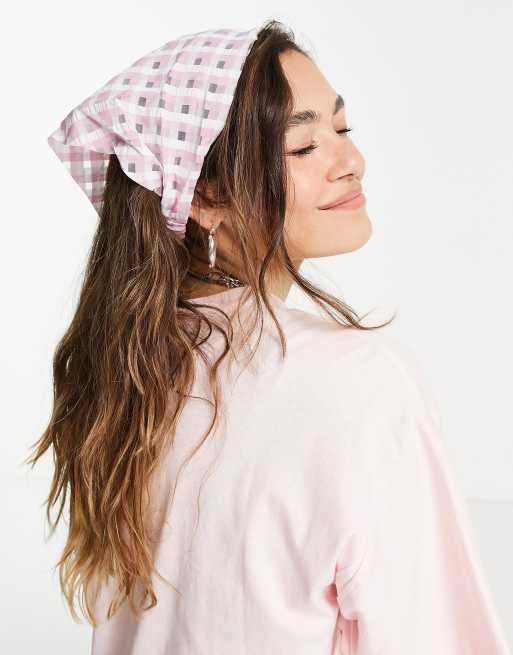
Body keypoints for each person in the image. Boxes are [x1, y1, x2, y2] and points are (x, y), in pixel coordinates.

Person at [26, 18, 512, 655]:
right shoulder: (357, 380)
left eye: (342, 130)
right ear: (205, 195)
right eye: (304, 147)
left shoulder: (129, 374)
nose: (351, 162)